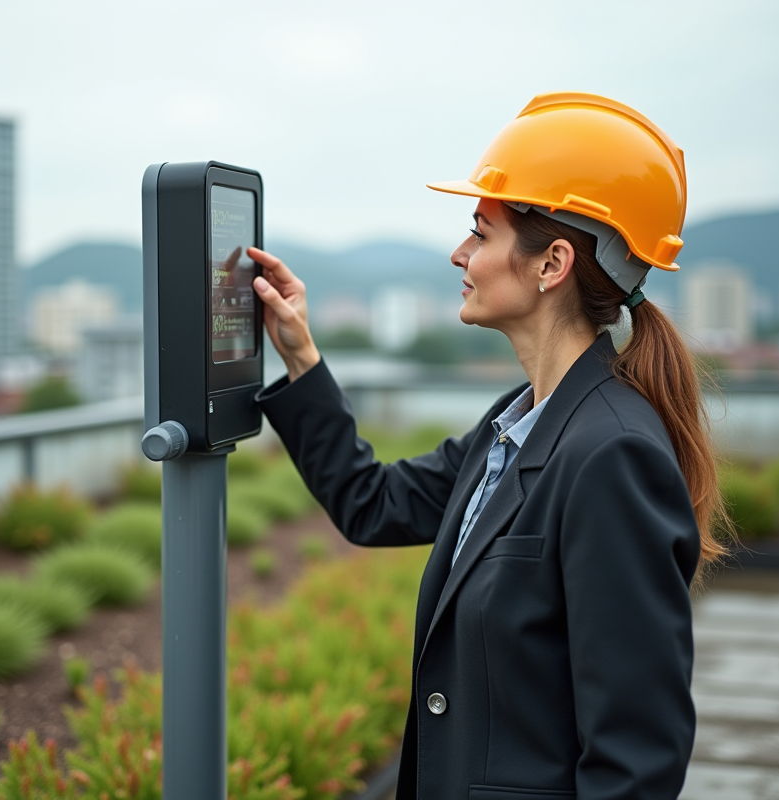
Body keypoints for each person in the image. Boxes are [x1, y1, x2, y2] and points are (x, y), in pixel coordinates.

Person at [249, 93, 730, 800]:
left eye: (480, 231)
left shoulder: (612, 456)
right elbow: (372, 504)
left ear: (552, 263)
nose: (459, 253)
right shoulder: (516, 422)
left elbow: (637, 759)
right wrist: (301, 357)